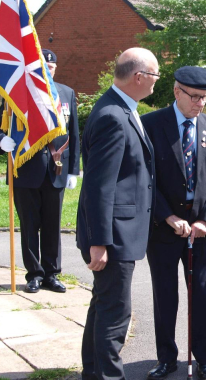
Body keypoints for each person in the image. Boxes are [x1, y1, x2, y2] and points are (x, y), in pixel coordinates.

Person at [76, 47, 158, 380]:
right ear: (139, 77)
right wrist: (100, 241)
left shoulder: (120, 107)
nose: (156, 82)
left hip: (117, 232)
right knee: (114, 314)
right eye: (155, 75)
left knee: (103, 307)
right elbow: (99, 185)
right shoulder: (112, 114)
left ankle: (94, 373)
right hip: (113, 235)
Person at [141, 66, 206, 380]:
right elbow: (146, 177)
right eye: (194, 96)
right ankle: (166, 358)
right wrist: (167, 216)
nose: (200, 103)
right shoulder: (151, 125)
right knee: (165, 296)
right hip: (164, 228)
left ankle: (205, 359)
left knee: (203, 295)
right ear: (176, 91)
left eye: (205, 97)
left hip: (202, 231)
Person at [0, 48, 80, 294]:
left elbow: (73, 133)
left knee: (53, 225)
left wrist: (74, 169)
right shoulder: (18, 95)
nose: (48, 71)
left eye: (51, 68)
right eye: (43, 67)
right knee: (29, 226)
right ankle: (35, 275)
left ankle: (52, 274)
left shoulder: (66, 93)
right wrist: (1, 141)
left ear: (56, 69)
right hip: (25, 171)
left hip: (56, 168)